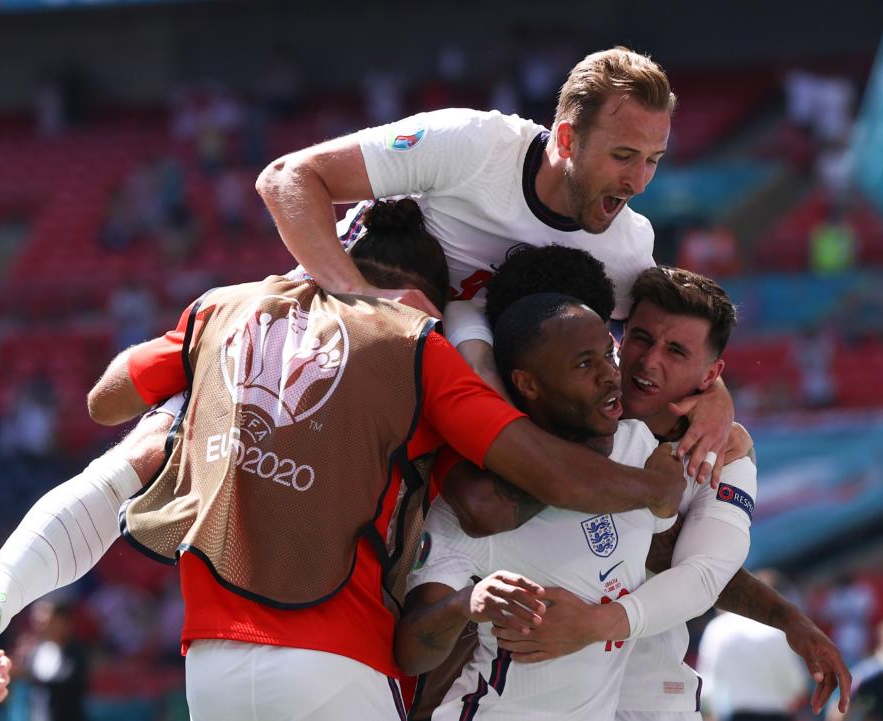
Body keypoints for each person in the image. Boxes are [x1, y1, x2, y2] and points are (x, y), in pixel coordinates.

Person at [0, 200, 683, 720]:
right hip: (336, 660)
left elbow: (105, 398)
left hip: (211, 665)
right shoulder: (415, 346)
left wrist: (191, 363)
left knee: (150, 448)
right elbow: (528, 476)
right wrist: (649, 487)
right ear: (421, 293)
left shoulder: (227, 308)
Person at [255, 46, 733, 485]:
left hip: (453, 393)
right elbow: (286, 178)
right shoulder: (472, 144)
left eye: (653, 160)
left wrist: (716, 398)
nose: (639, 181)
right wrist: (359, 297)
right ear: (567, 139)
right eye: (623, 156)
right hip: (334, 345)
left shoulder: (627, 245)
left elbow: (664, 346)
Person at [415, 249, 849, 719]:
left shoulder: (726, 455)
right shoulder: (555, 403)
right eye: (640, 339)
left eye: (677, 352)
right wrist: (647, 491)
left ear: (711, 375)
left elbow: (702, 574)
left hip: (651, 690)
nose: (648, 362)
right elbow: (486, 506)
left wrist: (595, 624)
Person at [396, 292, 681, 720]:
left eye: (609, 353)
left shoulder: (639, 447)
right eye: (584, 364)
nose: (610, 375)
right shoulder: (480, 506)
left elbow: (680, 560)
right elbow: (412, 654)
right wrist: (465, 604)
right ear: (528, 384)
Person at [697, 570, 810, 721]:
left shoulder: (717, 629)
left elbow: (707, 686)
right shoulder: (776, 629)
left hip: (735, 715)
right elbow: (797, 683)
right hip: (777, 715)